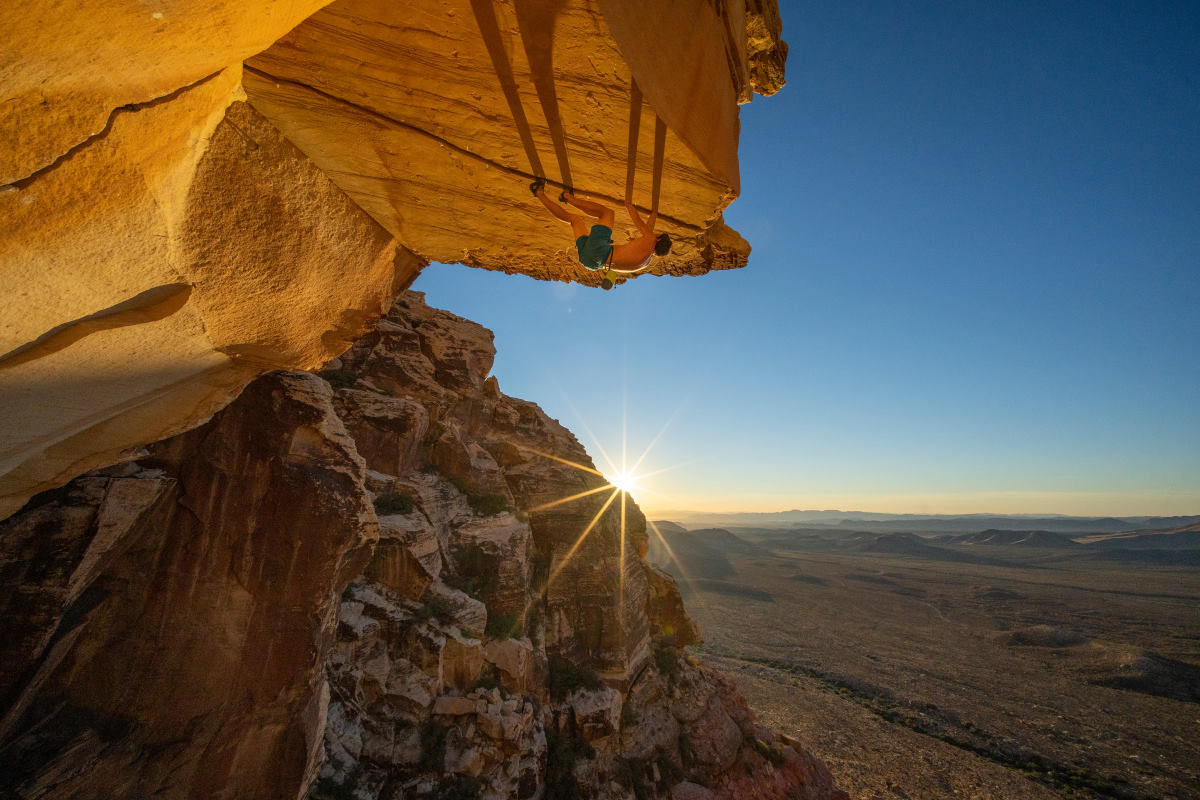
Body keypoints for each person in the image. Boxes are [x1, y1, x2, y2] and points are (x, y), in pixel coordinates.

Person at [531, 178, 670, 277]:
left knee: (607, 213)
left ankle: (568, 197)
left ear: (658, 239)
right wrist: (654, 214)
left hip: (601, 252)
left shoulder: (650, 240)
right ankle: (539, 193)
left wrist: (629, 206)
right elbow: (648, 229)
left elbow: (639, 222)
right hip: (592, 263)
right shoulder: (646, 261)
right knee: (574, 220)